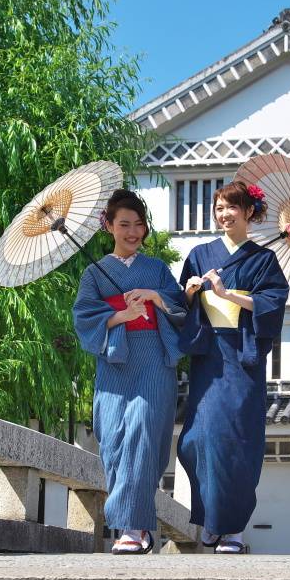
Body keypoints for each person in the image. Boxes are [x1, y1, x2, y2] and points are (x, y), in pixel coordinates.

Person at [177, 181, 289, 554]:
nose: (224, 214)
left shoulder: (264, 259)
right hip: (208, 353)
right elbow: (180, 307)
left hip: (242, 355)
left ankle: (234, 529)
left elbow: (272, 302)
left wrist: (228, 295)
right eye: (219, 207)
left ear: (249, 212)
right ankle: (212, 520)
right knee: (197, 439)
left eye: (232, 207)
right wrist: (192, 292)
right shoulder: (199, 253)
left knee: (238, 440)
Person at [72, 189, 185, 554]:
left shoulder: (156, 269)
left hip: (152, 358)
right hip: (113, 361)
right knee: (113, 440)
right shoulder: (94, 272)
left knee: (142, 434)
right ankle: (132, 523)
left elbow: (180, 308)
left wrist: (154, 299)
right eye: (124, 224)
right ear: (108, 226)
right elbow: (84, 317)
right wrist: (121, 315)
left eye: (139, 225)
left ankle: (132, 529)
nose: (133, 232)